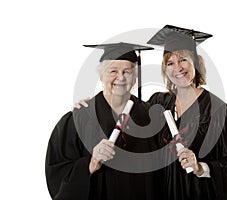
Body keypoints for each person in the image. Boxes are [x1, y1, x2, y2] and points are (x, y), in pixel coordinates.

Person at [146, 25, 227, 200]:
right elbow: (130, 117)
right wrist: (90, 104)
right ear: (165, 70)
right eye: (170, 63)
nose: (177, 68)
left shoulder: (218, 111)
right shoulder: (159, 103)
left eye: (183, 60)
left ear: (196, 62)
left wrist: (201, 168)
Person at [45, 42, 161, 200]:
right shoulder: (80, 118)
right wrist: (91, 163)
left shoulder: (149, 116)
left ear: (135, 78)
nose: (121, 77)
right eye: (113, 71)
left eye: (127, 71)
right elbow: (57, 170)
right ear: (101, 75)